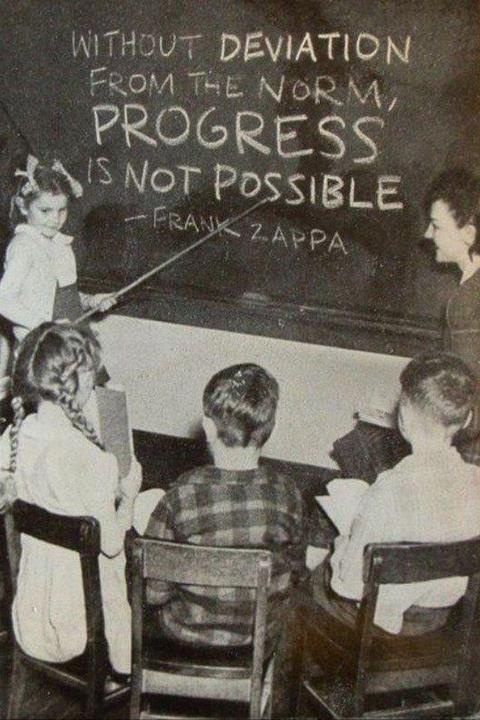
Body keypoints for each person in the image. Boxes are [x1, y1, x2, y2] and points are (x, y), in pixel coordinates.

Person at [0, 322, 142, 674]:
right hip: (80, 624)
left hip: (29, 614)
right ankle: (126, 663)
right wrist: (128, 497)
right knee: (129, 547)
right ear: (82, 381)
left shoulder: (13, 440)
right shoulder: (94, 461)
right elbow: (111, 545)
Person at [313, 351, 480, 636]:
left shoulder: (388, 489)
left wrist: (342, 543)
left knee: (314, 581)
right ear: (466, 420)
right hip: (443, 625)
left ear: (403, 416)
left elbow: (349, 586)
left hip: (382, 629)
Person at [145, 363, 306, 648]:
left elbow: (153, 593)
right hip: (258, 640)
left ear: (208, 428)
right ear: (271, 429)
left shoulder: (180, 495)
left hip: (184, 638)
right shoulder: (288, 494)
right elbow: (293, 572)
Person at [0, 154, 115, 347]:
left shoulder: (59, 243)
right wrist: (45, 326)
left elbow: (63, 296)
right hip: (43, 348)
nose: (55, 219)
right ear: (23, 207)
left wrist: (90, 301)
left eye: (62, 210)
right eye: (45, 211)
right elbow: (3, 300)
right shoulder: (24, 246)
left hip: (71, 339)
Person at [424, 167, 480, 465]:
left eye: (436, 226)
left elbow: (465, 403)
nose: (427, 234)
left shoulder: (466, 301)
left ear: (469, 234)